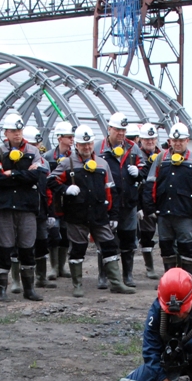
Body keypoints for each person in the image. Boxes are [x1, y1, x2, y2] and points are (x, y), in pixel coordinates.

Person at [47, 125, 135, 296]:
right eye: (82, 144)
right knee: (78, 249)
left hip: (99, 215)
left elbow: (111, 190)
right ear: (76, 145)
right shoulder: (67, 163)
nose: (86, 148)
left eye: (89, 144)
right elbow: (50, 180)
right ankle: (77, 285)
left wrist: (113, 215)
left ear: (92, 143)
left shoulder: (102, 164)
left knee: (110, 246)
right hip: (77, 216)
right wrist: (65, 189)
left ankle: (116, 283)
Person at [0, 112, 46, 302]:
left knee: (27, 247)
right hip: (5, 206)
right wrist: (22, 174)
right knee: (4, 248)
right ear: (6, 132)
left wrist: (11, 173)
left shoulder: (33, 151)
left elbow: (36, 176)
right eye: (13, 131)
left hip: (27, 206)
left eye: (19, 130)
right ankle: (0, 290)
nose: (17, 134)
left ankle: (29, 289)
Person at [143, 122, 192, 274]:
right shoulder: (160, 159)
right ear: (170, 141)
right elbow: (151, 184)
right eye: (175, 140)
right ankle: (170, 280)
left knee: (186, 247)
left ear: (187, 141)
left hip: (185, 213)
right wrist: (150, 208)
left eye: (181, 140)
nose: (178, 143)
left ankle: (186, 280)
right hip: (164, 212)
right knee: (166, 247)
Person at [98, 112, 144, 288]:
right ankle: (103, 276)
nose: (121, 134)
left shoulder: (133, 148)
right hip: (106, 203)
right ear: (109, 129)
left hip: (128, 202)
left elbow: (144, 169)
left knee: (128, 239)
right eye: (118, 130)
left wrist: (138, 173)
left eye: (123, 130)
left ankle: (127, 275)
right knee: (106, 240)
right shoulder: (98, 148)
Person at [23, 124, 57, 292]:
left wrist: (50, 212)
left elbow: (48, 189)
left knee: (42, 241)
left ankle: (41, 277)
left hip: (41, 209)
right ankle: (19, 280)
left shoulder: (43, 163)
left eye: (37, 145)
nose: (36, 148)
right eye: (32, 145)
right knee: (22, 244)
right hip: (24, 208)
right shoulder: (19, 161)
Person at [43, 121, 76, 283]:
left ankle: (62, 267)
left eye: (72, 137)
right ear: (59, 138)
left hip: (69, 202)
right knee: (53, 234)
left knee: (65, 235)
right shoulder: (48, 157)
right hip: (53, 201)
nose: (71, 140)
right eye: (68, 137)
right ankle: (53, 267)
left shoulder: (74, 157)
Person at [137, 123, 161, 279]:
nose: (150, 142)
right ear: (141, 139)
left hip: (162, 200)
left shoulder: (164, 155)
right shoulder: (136, 156)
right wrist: (138, 206)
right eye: (147, 139)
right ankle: (149, 267)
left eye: (152, 139)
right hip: (144, 201)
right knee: (147, 234)